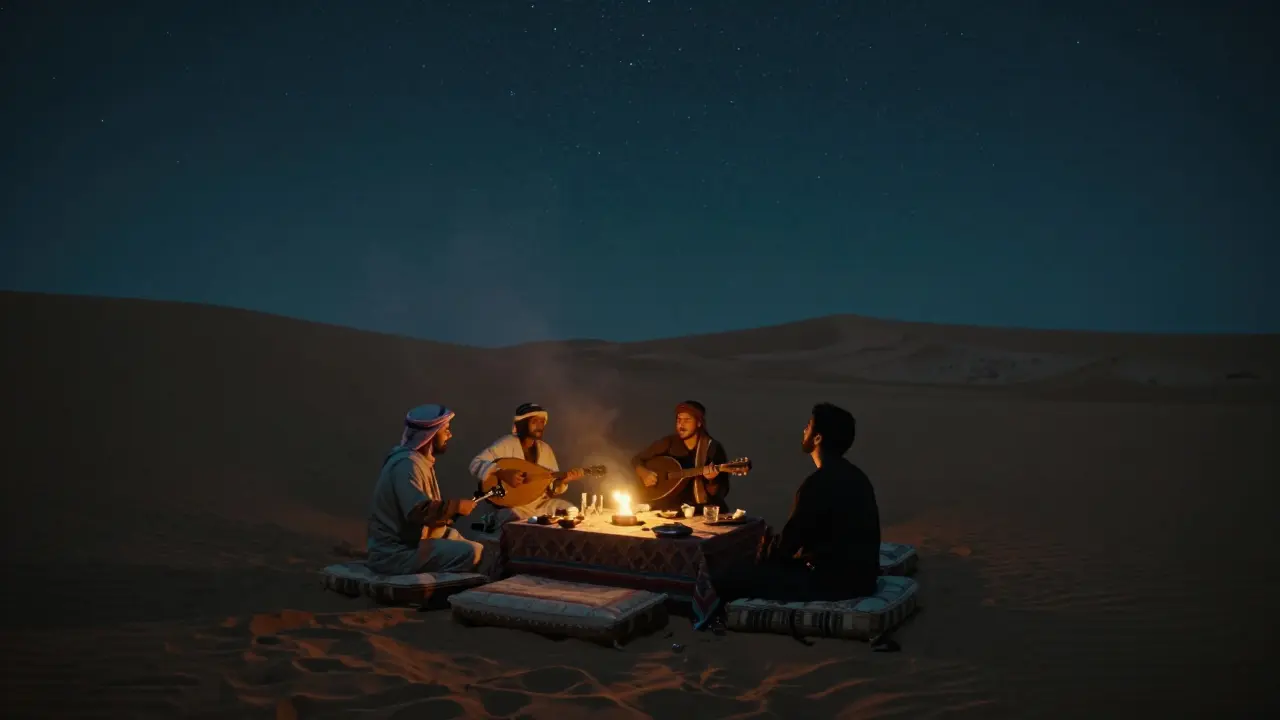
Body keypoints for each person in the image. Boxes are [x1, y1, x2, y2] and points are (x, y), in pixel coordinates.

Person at [712, 402, 881, 608]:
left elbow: (789, 544)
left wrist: (765, 553)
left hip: (832, 583)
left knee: (726, 578)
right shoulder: (858, 477)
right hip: (863, 579)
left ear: (818, 437)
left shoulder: (817, 484)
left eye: (809, 426)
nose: (804, 430)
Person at [365, 404, 484, 575]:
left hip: (413, 543)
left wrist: (451, 514)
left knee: (471, 544)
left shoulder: (420, 462)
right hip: (396, 553)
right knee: (471, 552)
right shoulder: (406, 465)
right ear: (430, 434)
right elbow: (418, 511)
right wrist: (456, 507)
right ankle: (436, 596)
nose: (450, 435)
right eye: (446, 430)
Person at [463, 402, 584, 532]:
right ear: (522, 423)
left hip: (538, 504)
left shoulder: (545, 449)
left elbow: (549, 488)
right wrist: (502, 473)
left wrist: (562, 481)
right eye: (535, 421)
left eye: (542, 422)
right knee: (518, 517)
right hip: (510, 506)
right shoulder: (507, 443)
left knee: (570, 510)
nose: (540, 426)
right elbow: (475, 464)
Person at [630, 400, 731, 511]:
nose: (681, 425)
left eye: (687, 420)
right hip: (669, 509)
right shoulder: (668, 443)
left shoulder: (712, 448)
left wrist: (712, 480)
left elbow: (720, 492)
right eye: (679, 420)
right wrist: (644, 473)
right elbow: (637, 459)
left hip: (700, 511)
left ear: (699, 423)